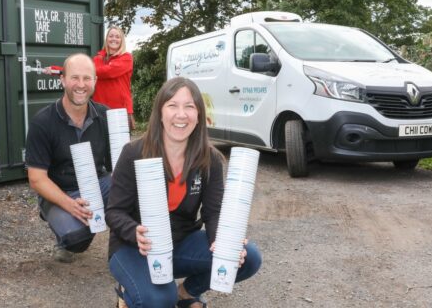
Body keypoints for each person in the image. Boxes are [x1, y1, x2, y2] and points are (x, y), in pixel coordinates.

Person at [105, 77, 262, 308]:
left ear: (199, 115)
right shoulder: (134, 153)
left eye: (189, 106)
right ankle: (128, 294)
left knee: (247, 256)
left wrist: (225, 243)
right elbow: (114, 211)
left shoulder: (209, 160)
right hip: (134, 247)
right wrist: (133, 231)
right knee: (158, 300)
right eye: (172, 106)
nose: (181, 114)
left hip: (179, 243)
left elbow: (213, 212)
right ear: (160, 112)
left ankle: (186, 293)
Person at [26, 53, 112, 263]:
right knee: (76, 239)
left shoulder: (106, 116)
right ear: (62, 79)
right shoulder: (43, 122)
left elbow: (120, 167)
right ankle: (65, 234)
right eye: (74, 78)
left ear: (95, 81)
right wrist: (70, 204)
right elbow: (37, 179)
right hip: (60, 192)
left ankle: (126, 252)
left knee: (133, 188)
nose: (81, 85)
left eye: (86, 78)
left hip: (96, 187)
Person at [92, 25, 136, 130]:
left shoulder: (126, 58)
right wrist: (57, 70)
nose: (114, 39)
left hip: (119, 111)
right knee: (100, 145)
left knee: (120, 146)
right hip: (99, 110)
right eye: (111, 36)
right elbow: (79, 69)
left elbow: (108, 72)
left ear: (122, 40)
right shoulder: (97, 59)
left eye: (117, 37)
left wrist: (89, 71)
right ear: (106, 39)